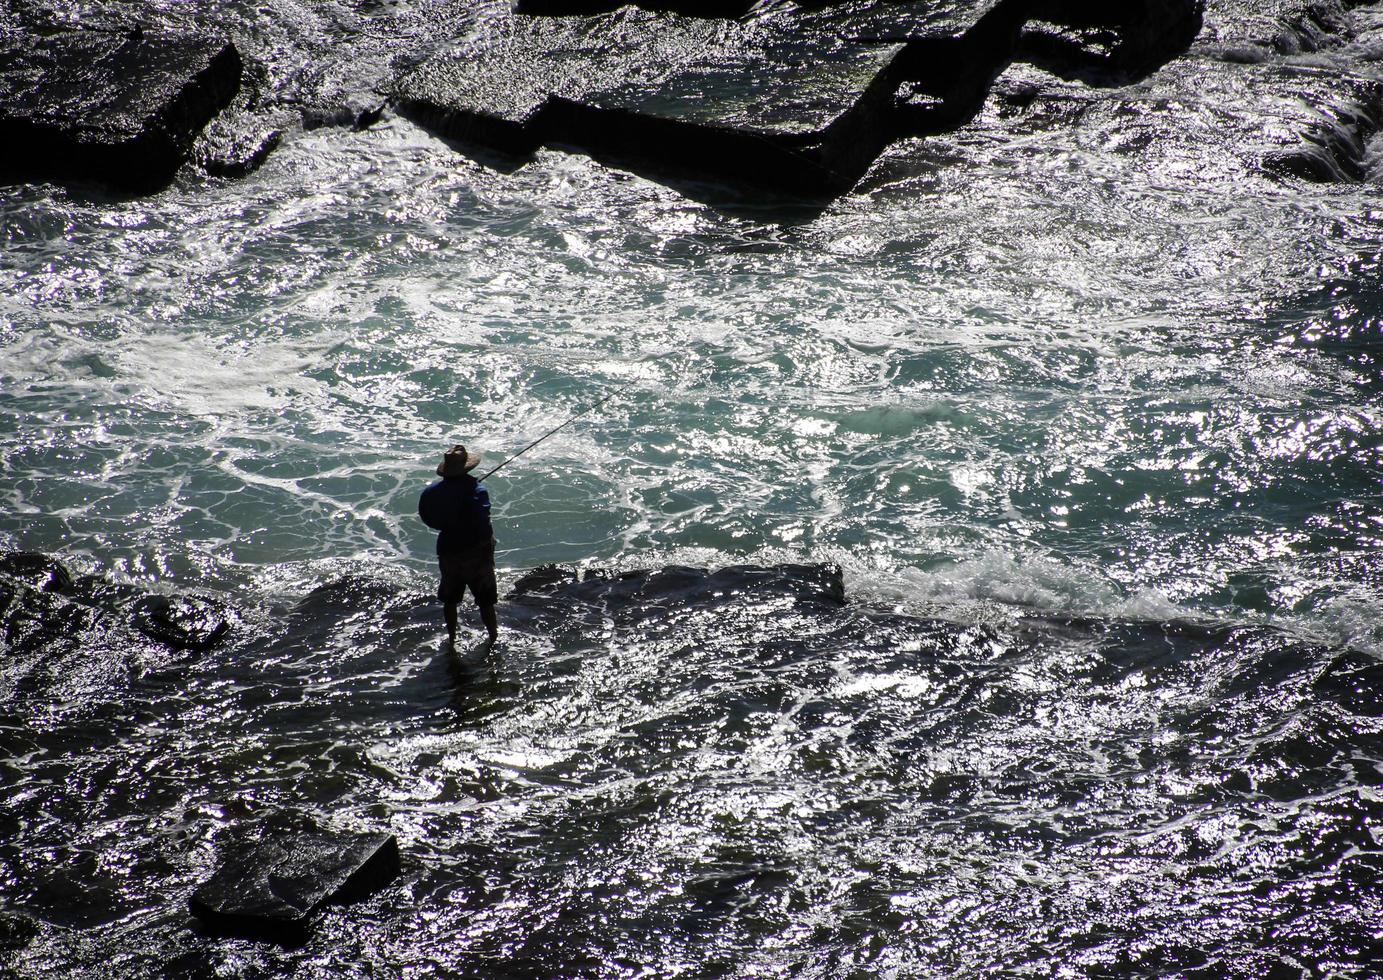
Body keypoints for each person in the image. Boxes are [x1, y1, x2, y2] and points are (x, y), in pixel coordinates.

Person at [418, 443, 498, 647]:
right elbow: (482, 520)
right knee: (486, 600)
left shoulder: (431, 492)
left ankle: (452, 637)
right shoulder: (477, 490)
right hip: (476, 552)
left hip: (448, 549)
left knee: (450, 599)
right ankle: (492, 637)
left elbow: (427, 518)